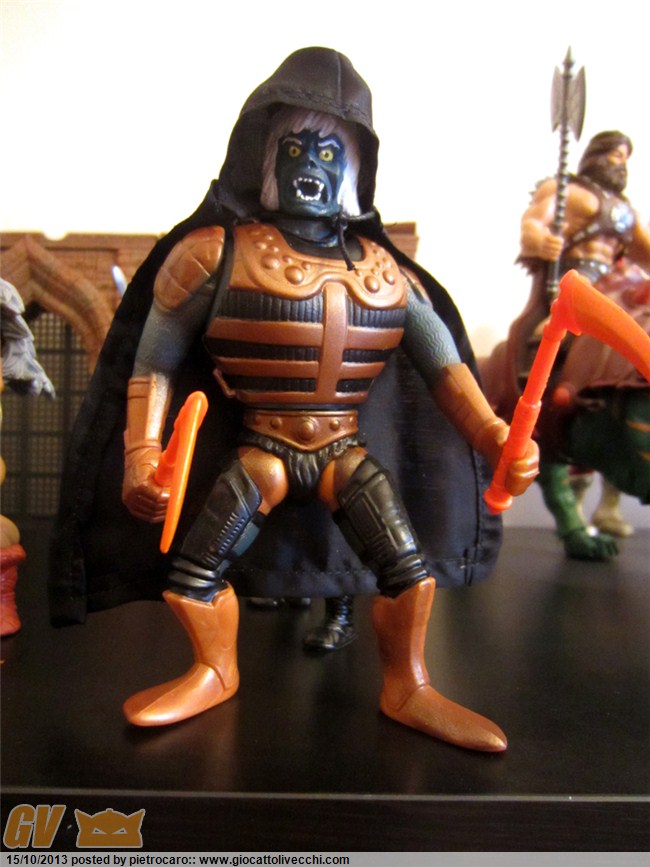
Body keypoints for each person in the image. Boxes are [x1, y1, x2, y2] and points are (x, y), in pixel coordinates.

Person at [50, 48, 537, 752]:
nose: (313, 163)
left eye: (330, 151)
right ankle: (214, 668)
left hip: (345, 449)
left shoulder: (387, 273)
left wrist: (496, 437)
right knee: (192, 574)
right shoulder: (211, 254)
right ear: (267, 156)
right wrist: (141, 454)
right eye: (297, 146)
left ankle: (408, 683)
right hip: (263, 448)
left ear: (356, 168)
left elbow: (447, 372)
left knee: (409, 573)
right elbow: (152, 364)